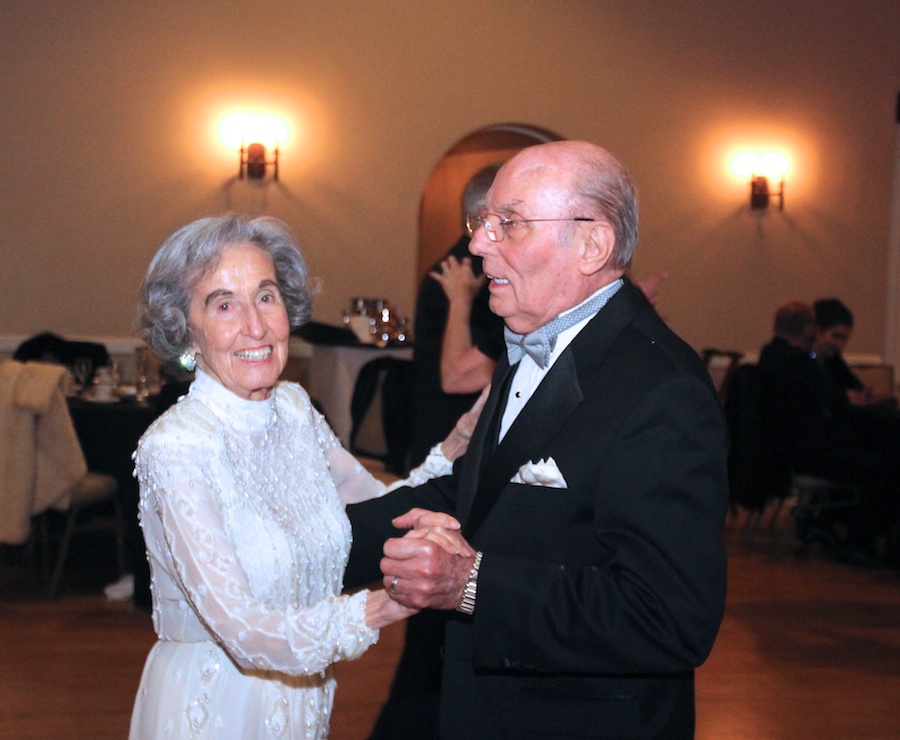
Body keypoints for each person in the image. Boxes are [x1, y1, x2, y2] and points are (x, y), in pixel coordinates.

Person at [345, 140, 729, 738]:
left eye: (510, 224)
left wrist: (472, 584)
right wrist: (312, 550)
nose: (477, 244)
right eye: (483, 222)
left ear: (592, 245)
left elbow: (670, 618)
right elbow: (476, 497)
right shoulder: (531, 337)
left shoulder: (660, 390)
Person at [129, 214, 483, 739]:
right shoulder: (177, 447)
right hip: (215, 705)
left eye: (266, 296)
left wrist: (459, 442)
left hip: (305, 702)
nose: (256, 325)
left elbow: (381, 507)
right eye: (224, 304)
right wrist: (381, 607)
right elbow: (241, 628)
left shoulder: (293, 409)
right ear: (187, 330)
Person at [758, 301, 899, 563]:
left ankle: (838, 525)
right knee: (886, 465)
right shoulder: (798, 362)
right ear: (812, 329)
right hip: (806, 453)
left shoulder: (775, 356)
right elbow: (833, 402)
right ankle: (860, 541)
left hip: (795, 450)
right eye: (836, 336)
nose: (839, 344)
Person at [408, 164, 506, 470]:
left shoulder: (464, 267)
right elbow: (458, 377)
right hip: (453, 443)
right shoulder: (474, 273)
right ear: (482, 215)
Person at [813, 298, 894, 407]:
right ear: (818, 331)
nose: (840, 345)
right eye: (836, 336)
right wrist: (842, 397)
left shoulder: (833, 360)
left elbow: (853, 384)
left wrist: (868, 394)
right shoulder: (801, 361)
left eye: (844, 339)